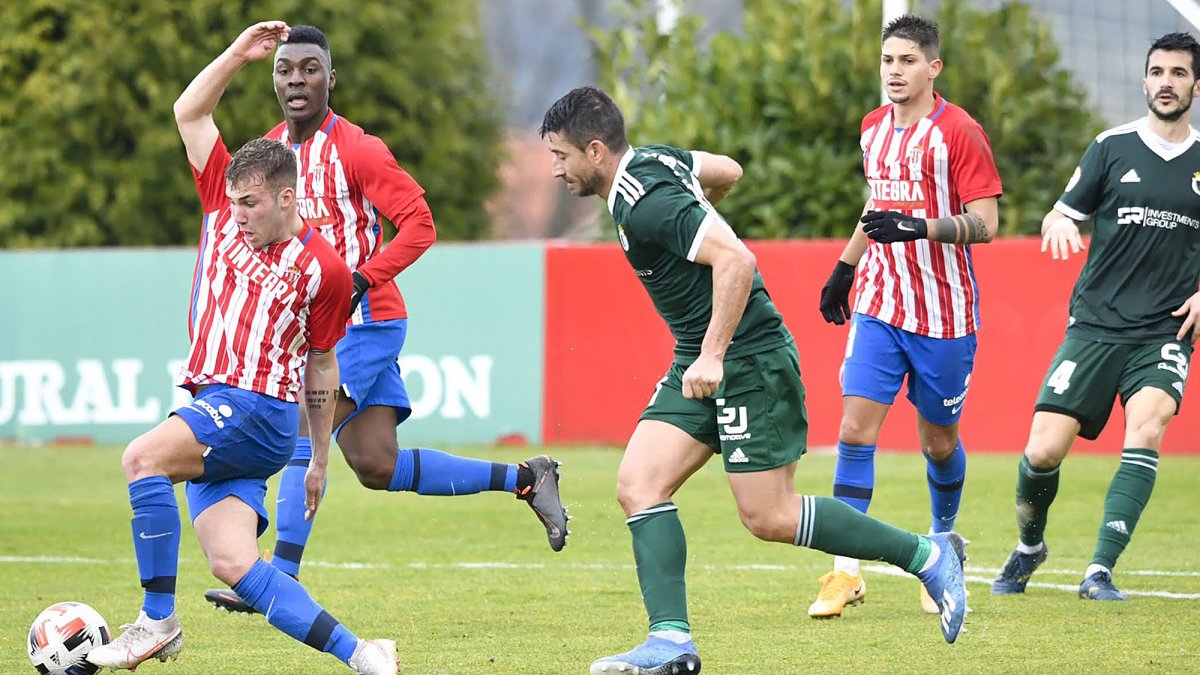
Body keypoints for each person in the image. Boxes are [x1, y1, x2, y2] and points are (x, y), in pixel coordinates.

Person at [541, 85, 971, 673]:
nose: (555, 171)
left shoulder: (647, 202)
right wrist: (706, 212)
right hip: (699, 353)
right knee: (639, 484)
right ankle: (670, 643)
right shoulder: (653, 161)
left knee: (768, 516)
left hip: (745, 358)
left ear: (594, 151)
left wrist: (713, 353)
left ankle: (929, 554)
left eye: (560, 157)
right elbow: (727, 169)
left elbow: (738, 259)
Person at [196, 23, 570, 614]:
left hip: (366, 321)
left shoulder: (359, 150)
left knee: (300, 427)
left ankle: (280, 579)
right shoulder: (269, 155)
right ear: (273, 80)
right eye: (285, 69)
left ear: (330, 79)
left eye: (310, 68)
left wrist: (361, 279)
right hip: (315, 331)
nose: (296, 79)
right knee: (377, 464)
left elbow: (420, 223)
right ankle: (527, 478)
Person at [86, 33, 395, 672]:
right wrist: (235, 57)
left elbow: (321, 363)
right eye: (233, 201)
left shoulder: (328, 271)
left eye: (250, 203)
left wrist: (316, 459)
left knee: (141, 460)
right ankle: (363, 653)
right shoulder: (224, 211)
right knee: (234, 563)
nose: (237, 214)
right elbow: (189, 114)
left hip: (257, 408)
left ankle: (156, 622)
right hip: (223, 404)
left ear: (287, 198)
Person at [991, 32, 1200, 601]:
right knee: (1041, 451)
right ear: (1144, 81)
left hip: (1165, 331)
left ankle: (1099, 570)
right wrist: (1058, 222)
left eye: (1178, 74)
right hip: (1095, 327)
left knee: (1149, 426)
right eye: (1157, 72)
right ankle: (1030, 546)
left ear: (1196, 86)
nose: (1165, 82)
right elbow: (1061, 212)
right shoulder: (1111, 146)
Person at [811, 14, 1002, 618]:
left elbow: (987, 224)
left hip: (944, 315)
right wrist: (845, 266)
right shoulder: (872, 129)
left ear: (933, 68)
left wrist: (920, 227)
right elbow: (877, 205)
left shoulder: (960, 133)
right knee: (852, 432)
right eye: (888, 60)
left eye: (908, 61)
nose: (895, 71)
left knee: (938, 443)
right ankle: (845, 572)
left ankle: (943, 546)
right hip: (881, 303)